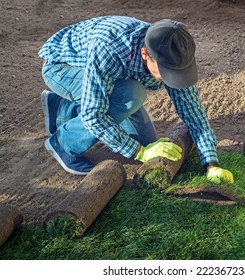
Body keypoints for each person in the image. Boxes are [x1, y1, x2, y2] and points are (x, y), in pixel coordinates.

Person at [38, 16, 234, 184]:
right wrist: (139, 153)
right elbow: (94, 115)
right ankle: (63, 143)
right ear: (145, 53)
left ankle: (61, 108)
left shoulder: (174, 52)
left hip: (105, 76)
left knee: (145, 140)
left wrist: (211, 163)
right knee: (132, 95)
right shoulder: (110, 47)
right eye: (165, 71)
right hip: (62, 68)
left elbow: (192, 111)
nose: (170, 78)